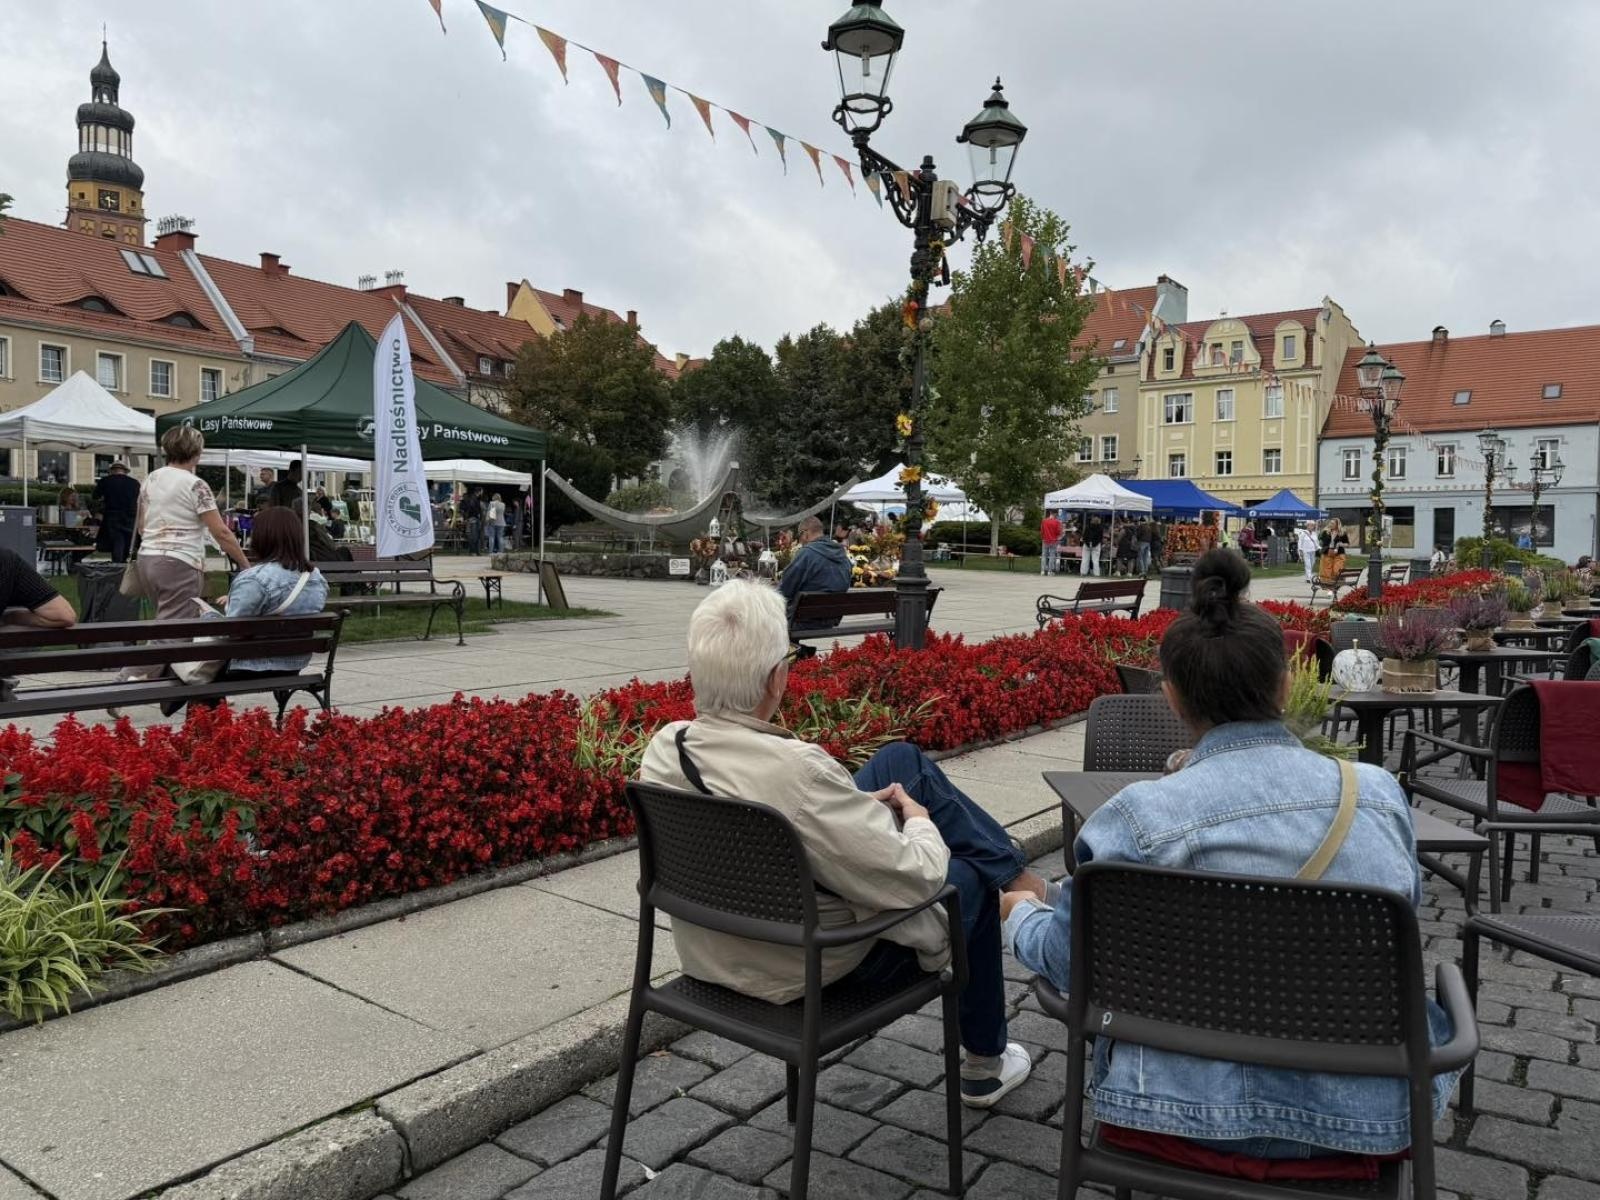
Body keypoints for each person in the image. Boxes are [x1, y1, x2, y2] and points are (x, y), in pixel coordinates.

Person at [1002, 549, 1463, 1158]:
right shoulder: (1375, 793)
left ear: (1171, 697)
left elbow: (1071, 962)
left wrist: (1021, 916)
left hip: (1169, 1109)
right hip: (1369, 1118)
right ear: (1286, 682)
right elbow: (1399, 909)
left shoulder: (1137, 819)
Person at [640, 581, 1040, 1106]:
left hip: (717, 949)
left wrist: (853, 812)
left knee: (901, 761)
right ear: (776, 678)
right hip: (808, 966)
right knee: (966, 879)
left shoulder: (665, 747)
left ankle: (1018, 879)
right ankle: (986, 1063)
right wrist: (916, 822)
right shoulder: (798, 772)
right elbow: (919, 876)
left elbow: (775, 818)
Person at [161, 506, 330, 716]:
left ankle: (199, 734)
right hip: (293, 663)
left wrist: (208, 615)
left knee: (194, 667)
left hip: (247, 668)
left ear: (263, 538)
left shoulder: (254, 578)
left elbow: (230, 632)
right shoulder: (316, 580)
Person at [136, 425, 251, 619]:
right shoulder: (196, 485)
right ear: (197, 452)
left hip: (147, 558)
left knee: (163, 622)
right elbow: (221, 533)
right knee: (176, 632)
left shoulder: (150, 479)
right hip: (179, 561)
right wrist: (246, 566)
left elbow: (142, 526)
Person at [777, 516, 852, 635]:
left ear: (806, 533)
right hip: (831, 618)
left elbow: (784, 591)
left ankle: (796, 651)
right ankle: (802, 651)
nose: (800, 541)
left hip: (803, 620)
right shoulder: (842, 555)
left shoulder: (807, 553)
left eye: (800, 535)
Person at [0, 547, 76, 630]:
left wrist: (12, 617)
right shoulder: (7, 560)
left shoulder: (7, 561)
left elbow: (64, 616)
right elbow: (64, 616)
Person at [93, 459, 141, 563]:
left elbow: (95, 497)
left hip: (112, 516)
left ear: (112, 470)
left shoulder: (105, 481)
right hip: (130, 518)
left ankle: (117, 565)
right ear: (124, 471)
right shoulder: (135, 483)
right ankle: (124, 564)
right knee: (128, 543)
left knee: (117, 542)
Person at [461, 487, 484, 555]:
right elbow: (473, 508)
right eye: (481, 491)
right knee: (475, 536)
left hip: (471, 518)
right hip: (474, 518)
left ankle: (473, 551)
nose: (482, 493)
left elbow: (465, 509)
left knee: (472, 536)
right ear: (479, 492)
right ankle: (474, 551)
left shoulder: (471, 498)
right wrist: (478, 514)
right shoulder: (474, 498)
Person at [1040, 510, 1062, 576]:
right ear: (1055, 514)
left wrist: (1043, 537)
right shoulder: (1057, 522)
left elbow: (1041, 531)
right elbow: (1058, 532)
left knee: (1044, 556)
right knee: (1052, 556)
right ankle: (1050, 571)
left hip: (1045, 540)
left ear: (1050, 513)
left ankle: (1043, 571)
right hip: (1053, 540)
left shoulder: (1044, 521)